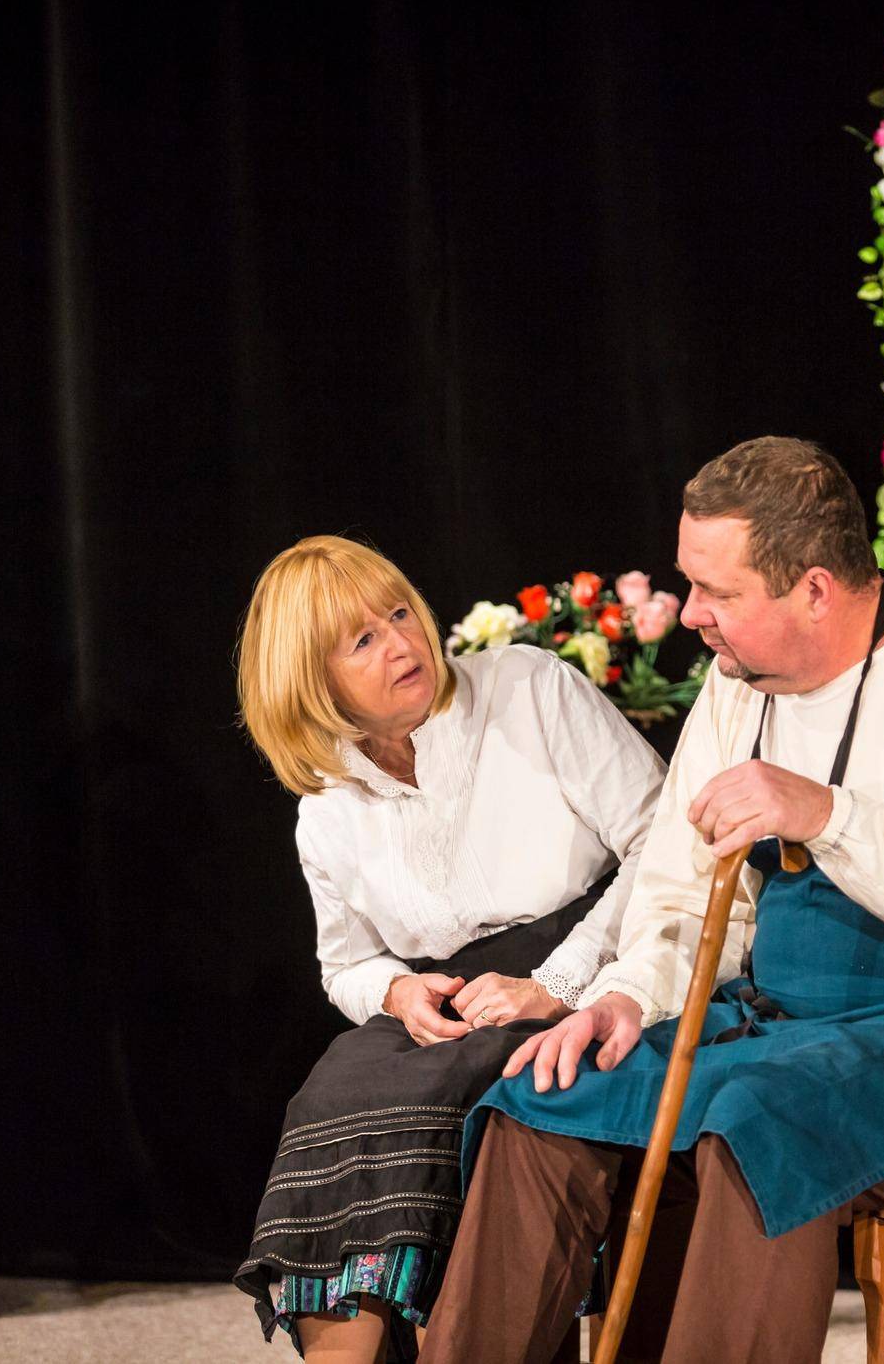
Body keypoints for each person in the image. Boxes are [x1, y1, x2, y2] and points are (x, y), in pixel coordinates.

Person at [417, 438, 884, 1364]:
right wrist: (626, 997)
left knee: (759, 1122)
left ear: (815, 589)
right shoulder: (738, 685)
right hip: (790, 1022)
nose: (692, 613)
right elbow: (679, 890)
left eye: (718, 591)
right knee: (546, 1090)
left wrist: (828, 814)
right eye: (689, 584)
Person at [231, 535, 665, 1362]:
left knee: (450, 1101)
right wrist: (397, 992)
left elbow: (661, 845)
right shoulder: (326, 807)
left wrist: (558, 980)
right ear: (311, 682)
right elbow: (346, 965)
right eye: (363, 639)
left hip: (590, 962)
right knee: (333, 1093)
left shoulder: (530, 689)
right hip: (451, 1004)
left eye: (400, 613)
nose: (401, 643)